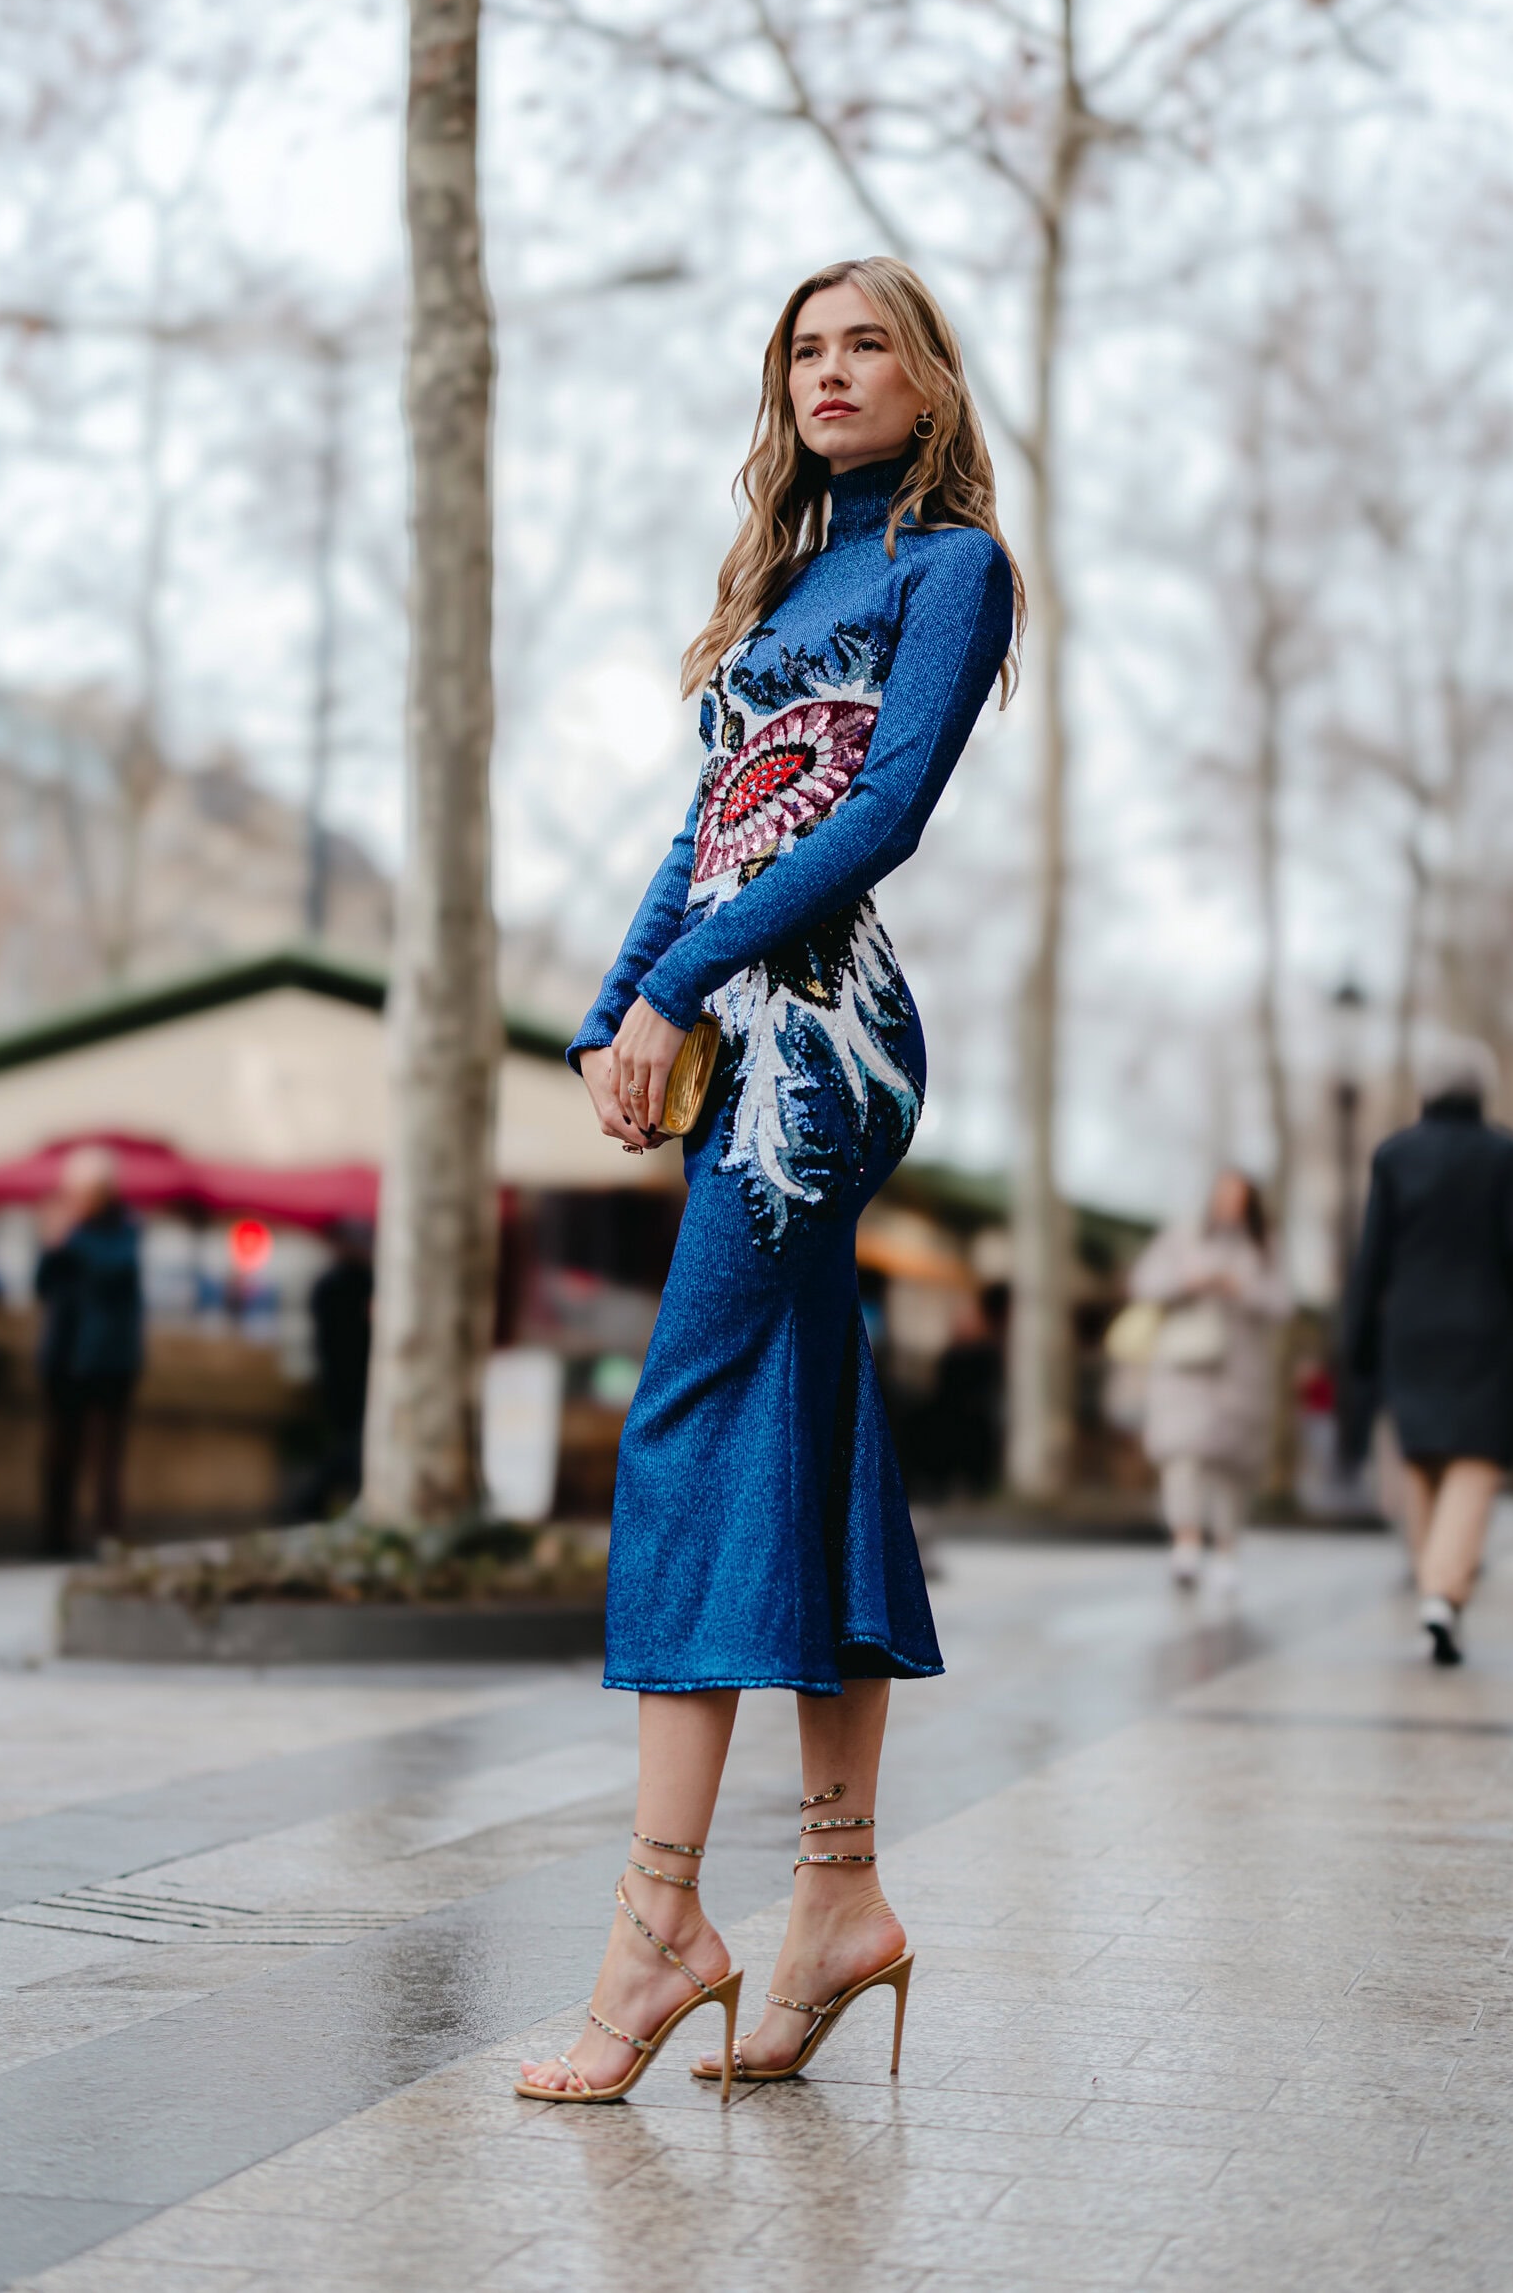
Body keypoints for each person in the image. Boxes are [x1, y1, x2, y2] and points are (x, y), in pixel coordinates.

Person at [517, 256, 1021, 2103]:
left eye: (863, 342)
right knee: (807, 1427)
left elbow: (879, 812)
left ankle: (661, 1923)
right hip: (735, 1026)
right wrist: (606, 1008)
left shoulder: (943, 568)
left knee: (679, 1419)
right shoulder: (779, 584)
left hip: (821, 1052)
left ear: (926, 380)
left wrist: (673, 992)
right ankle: (833, 1899)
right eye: (802, 348)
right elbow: (708, 820)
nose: (828, 371)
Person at [1344, 1037, 1513, 1665]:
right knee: (1474, 1464)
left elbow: (1371, 1263)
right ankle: (1442, 1593)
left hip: (1410, 1333)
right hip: (1487, 1333)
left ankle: (1434, 1588)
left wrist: (1357, 1347)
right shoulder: (1508, 1157)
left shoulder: (1394, 1156)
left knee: (1419, 1461)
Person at [1131, 1170, 1292, 1595]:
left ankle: (1226, 1549)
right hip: (1185, 1366)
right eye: (1224, 1195)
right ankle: (1186, 1544)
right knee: (1183, 1454)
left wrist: (1244, 1289)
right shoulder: (1182, 1236)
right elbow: (1144, 1283)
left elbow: (1282, 1303)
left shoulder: (1264, 1244)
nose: (1229, 1204)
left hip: (1242, 1372)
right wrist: (1191, 1281)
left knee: (1233, 1466)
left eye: (1238, 1197)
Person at [34, 1144, 145, 1557]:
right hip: (63, 1358)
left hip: (108, 1361)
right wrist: (51, 1245)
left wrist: (70, 1236)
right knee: (59, 1452)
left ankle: (107, 1537)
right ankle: (54, 1537)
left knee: (106, 1457)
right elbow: (43, 1285)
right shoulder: (67, 1234)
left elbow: (114, 1268)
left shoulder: (124, 1227)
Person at [309, 1221, 373, 1513]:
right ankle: (311, 1501)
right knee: (349, 1446)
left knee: (349, 1445)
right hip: (348, 1379)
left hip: (345, 1379)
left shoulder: (338, 1283)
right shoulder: (342, 1284)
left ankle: (317, 1501)